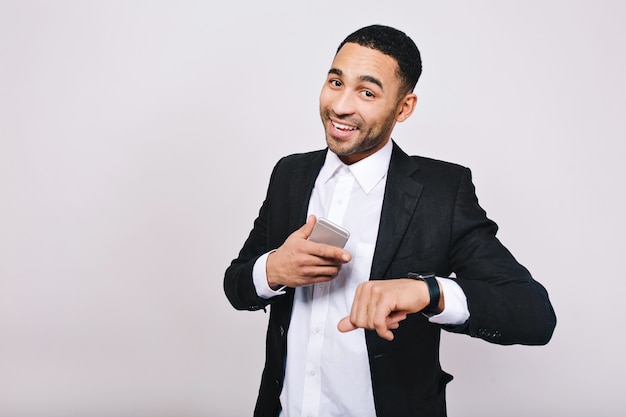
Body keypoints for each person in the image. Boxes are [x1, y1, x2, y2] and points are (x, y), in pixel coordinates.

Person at [224, 24, 556, 417]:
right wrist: (272, 269)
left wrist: (428, 292)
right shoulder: (289, 175)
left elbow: (534, 315)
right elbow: (236, 285)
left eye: (367, 92)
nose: (341, 106)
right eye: (335, 82)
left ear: (404, 107)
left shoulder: (441, 192)